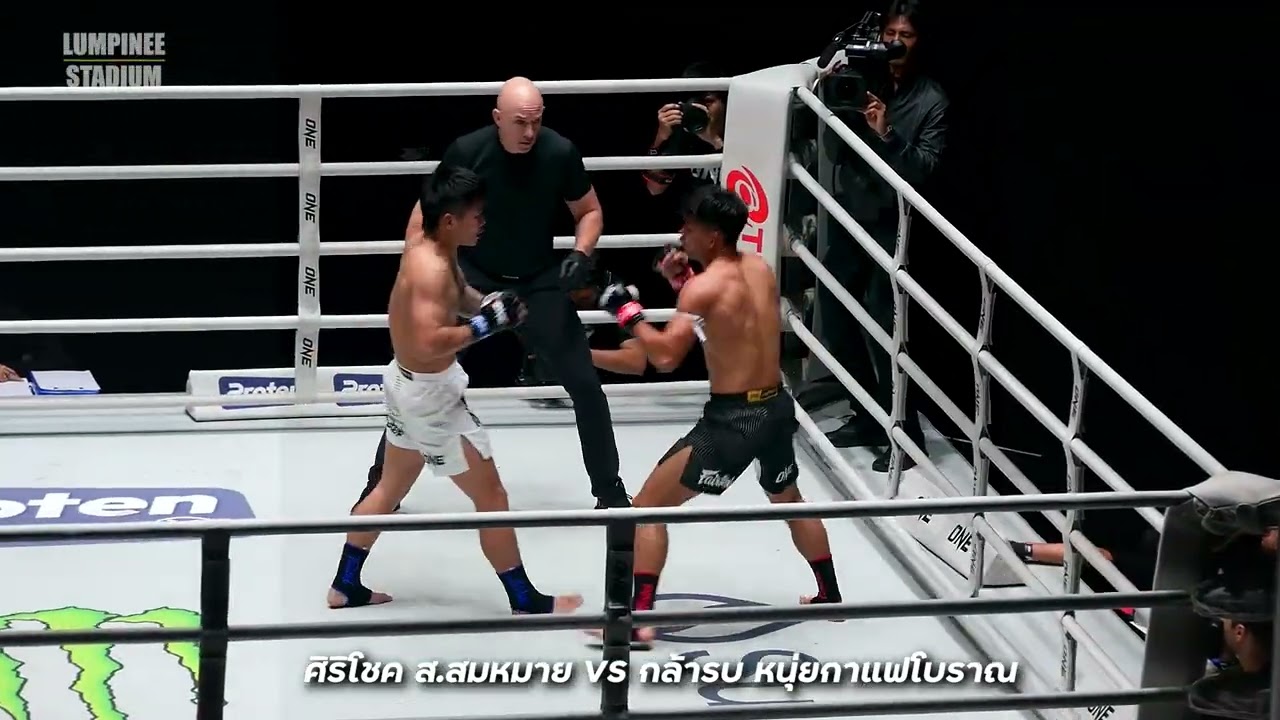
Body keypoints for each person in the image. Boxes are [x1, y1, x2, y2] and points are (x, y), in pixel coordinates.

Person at [327, 166, 582, 616]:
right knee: (492, 497)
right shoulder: (429, 270)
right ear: (449, 220)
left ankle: (345, 584)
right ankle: (524, 598)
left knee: (389, 487)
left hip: (408, 387)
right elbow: (427, 341)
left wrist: (485, 304)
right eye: (476, 215)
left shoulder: (429, 241)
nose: (483, 222)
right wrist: (486, 325)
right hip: (431, 401)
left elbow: (458, 292)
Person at [598, 185, 845, 646]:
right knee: (789, 499)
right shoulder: (760, 269)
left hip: (734, 420)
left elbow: (665, 357)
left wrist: (627, 313)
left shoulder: (703, 288)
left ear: (712, 236)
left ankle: (638, 621)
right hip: (776, 407)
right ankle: (830, 596)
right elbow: (729, 326)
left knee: (646, 509)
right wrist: (684, 282)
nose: (681, 234)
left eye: (689, 227)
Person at [398, 76, 629, 510]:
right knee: (425, 378)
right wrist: (430, 270)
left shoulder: (558, 151)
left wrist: (581, 252)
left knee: (585, 384)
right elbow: (425, 217)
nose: (529, 132)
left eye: (536, 122)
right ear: (497, 118)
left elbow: (590, 210)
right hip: (474, 275)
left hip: (538, 279)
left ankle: (610, 492)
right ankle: (382, 485)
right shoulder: (469, 151)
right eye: (520, 122)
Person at [807, 0, 948, 473]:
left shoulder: (932, 100)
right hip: (850, 215)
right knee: (835, 317)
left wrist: (887, 134)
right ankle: (867, 417)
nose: (895, 42)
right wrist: (836, 98)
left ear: (919, 42)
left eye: (906, 34)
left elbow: (924, 170)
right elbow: (833, 149)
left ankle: (906, 434)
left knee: (884, 330)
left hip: (894, 225)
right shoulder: (860, 78)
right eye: (890, 33)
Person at [642, 62, 727, 202]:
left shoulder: (740, 131)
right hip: (694, 212)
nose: (700, 108)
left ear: (724, 103)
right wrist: (661, 139)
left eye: (707, 101)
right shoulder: (684, 129)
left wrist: (714, 141)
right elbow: (654, 188)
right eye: (694, 101)